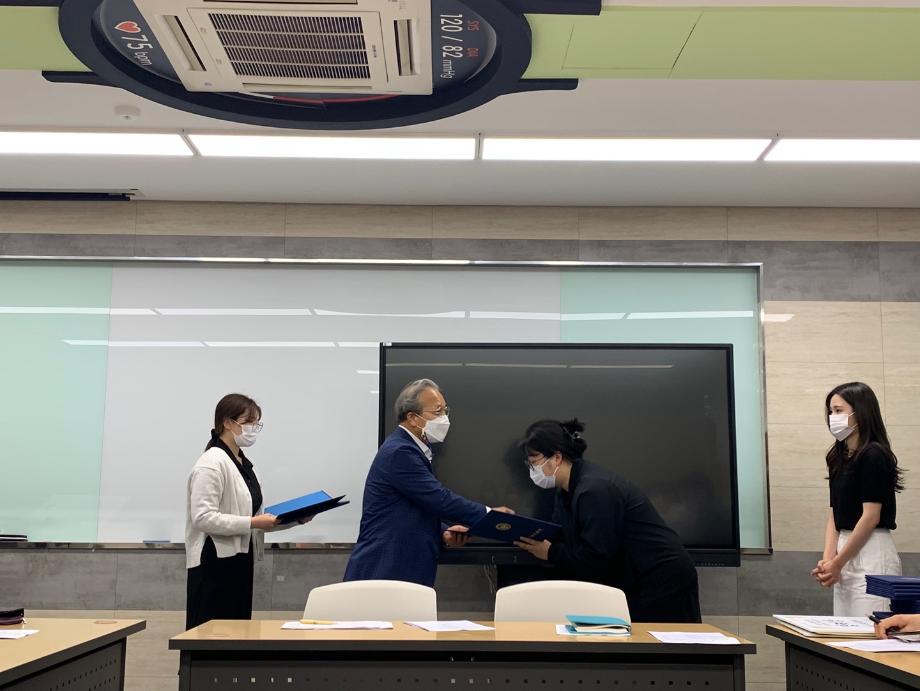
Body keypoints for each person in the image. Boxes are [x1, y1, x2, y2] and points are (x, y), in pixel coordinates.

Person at [514, 418, 701, 623]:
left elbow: (596, 557)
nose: (532, 470)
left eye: (534, 462)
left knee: (656, 642)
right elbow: (565, 535)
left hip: (661, 579)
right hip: (635, 578)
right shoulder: (565, 490)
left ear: (557, 457)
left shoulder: (594, 490)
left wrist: (551, 552)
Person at [344, 378, 512, 587]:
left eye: (445, 411)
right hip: (384, 569)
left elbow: (415, 508)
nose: (444, 419)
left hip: (402, 569)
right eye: (437, 412)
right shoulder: (400, 452)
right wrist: (488, 515)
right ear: (413, 418)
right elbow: (439, 499)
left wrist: (443, 532)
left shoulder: (411, 449)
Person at [185, 393, 304, 629]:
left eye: (256, 423)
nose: (253, 429)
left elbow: (258, 518)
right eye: (248, 422)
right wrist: (252, 522)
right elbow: (203, 518)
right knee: (211, 636)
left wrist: (296, 519)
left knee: (237, 632)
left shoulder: (244, 464)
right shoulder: (211, 463)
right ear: (227, 423)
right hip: (214, 562)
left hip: (240, 560)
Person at [811, 382, 904, 616]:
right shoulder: (837, 457)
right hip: (844, 551)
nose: (833, 417)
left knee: (870, 627)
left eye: (839, 410)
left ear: (860, 412)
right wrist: (828, 559)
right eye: (830, 411)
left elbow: (870, 517)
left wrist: (838, 562)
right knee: (844, 629)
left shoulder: (874, 454)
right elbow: (834, 513)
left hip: (871, 550)